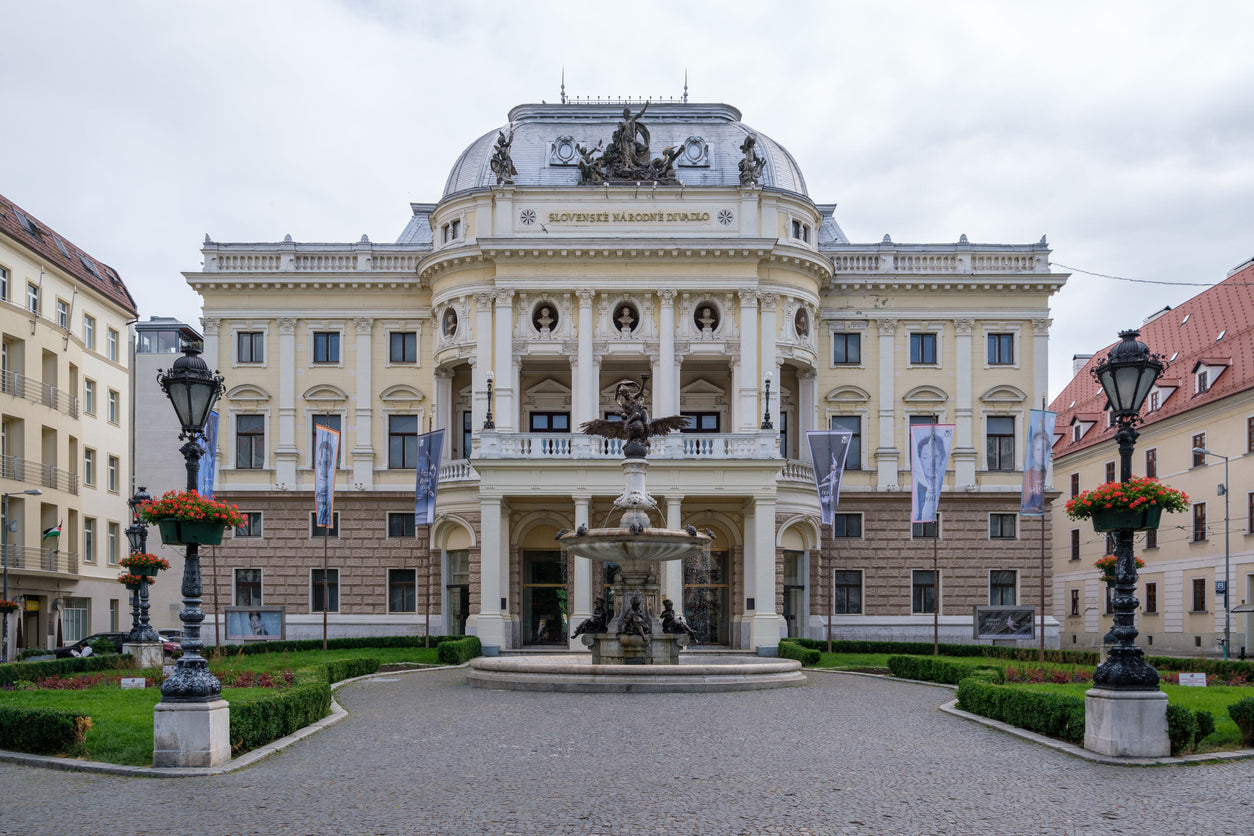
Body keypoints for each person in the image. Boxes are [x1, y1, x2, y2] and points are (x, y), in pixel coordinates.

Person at [913, 431, 947, 523]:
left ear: (942, 458)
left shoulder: (941, 485)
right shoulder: (917, 488)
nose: (930, 462)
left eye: (935, 456)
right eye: (925, 457)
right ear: (920, 460)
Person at [1021, 427, 1052, 515]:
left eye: (1044, 450)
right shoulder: (1027, 476)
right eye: (1038, 449)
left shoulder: (1047, 476)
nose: (1041, 454)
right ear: (1032, 451)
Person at [314, 435, 335, 527]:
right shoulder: (317, 498)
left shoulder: (329, 502)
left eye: (326, 463)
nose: (322, 471)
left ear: (331, 465)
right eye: (319, 463)